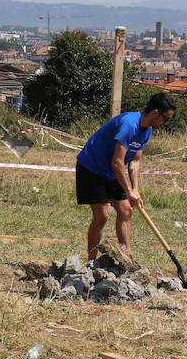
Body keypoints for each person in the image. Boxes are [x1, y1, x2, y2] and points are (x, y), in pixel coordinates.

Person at [76, 92, 177, 260]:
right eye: (165, 119)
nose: (165, 123)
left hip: (112, 171)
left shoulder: (147, 130)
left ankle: (127, 259)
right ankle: (91, 264)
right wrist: (128, 191)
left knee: (126, 211)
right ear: (155, 113)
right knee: (102, 215)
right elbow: (117, 162)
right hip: (92, 167)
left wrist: (135, 189)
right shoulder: (129, 125)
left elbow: (135, 162)